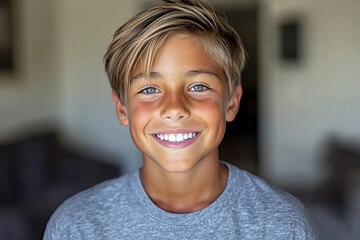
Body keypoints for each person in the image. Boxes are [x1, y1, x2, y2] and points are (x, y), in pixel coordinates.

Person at [44, 0, 318, 239]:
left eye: (198, 87)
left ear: (231, 103)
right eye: (149, 89)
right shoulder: (76, 226)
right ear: (122, 109)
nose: (174, 108)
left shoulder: (282, 225)